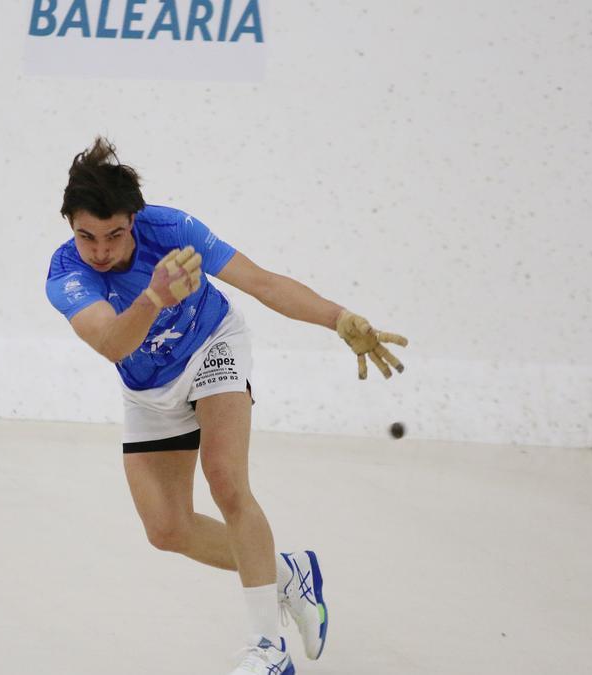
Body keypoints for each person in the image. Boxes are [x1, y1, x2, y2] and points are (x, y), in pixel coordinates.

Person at [45, 138, 408, 674]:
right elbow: (113, 344)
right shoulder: (65, 275)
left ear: (135, 220)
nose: (100, 249)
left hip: (214, 346)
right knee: (167, 530)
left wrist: (337, 317)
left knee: (226, 479)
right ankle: (286, 574)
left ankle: (267, 650)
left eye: (114, 234)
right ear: (70, 227)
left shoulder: (172, 231)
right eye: (86, 236)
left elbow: (261, 282)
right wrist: (154, 296)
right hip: (147, 386)